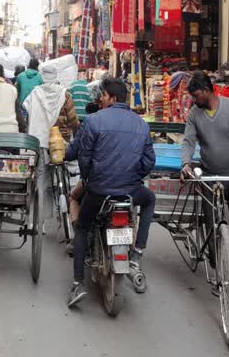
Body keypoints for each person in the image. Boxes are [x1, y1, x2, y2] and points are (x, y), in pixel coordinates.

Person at [67, 78, 156, 307]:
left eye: (103, 96)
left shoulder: (93, 121)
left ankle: (78, 283)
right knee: (149, 200)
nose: (101, 99)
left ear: (112, 98)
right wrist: (134, 179)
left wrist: (88, 179)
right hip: (130, 190)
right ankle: (137, 251)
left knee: (82, 227)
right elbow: (149, 161)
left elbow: (84, 157)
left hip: (99, 189)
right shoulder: (141, 124)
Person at [180, 74, 229, 294]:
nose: (193, 100)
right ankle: (220, 272)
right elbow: (188, 141)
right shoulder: (195, 114)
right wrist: (185, 163)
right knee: (211, 226)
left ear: (206, 90)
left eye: (195, 95)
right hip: (209, 178)